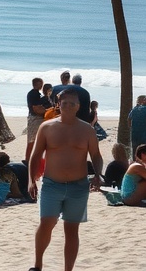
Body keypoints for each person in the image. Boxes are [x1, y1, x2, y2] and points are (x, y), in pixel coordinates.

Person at [28, 86, 102, 271]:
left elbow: (96, 155)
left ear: (78, 106)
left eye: (72, 103)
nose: (68, 106)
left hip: (79, 186)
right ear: (58, 104)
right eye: (65, 103)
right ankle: (37, 265)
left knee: (71, 229)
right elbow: (35, 156)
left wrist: (98, 175)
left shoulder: (87, 130)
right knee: (47, 222)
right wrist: (31, 180)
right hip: (52, 184)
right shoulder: (47, 127)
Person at [26, 77, 48, 163]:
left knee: (34, 140)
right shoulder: (34, 94)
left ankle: (30, 159)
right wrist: (47, 111)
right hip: (35, 118)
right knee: (32, 140)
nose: (41, 85)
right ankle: (28, 159)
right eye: (40, 83)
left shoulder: (36, 94)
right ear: (36, 84)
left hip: (35, 117)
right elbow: (36, 108)